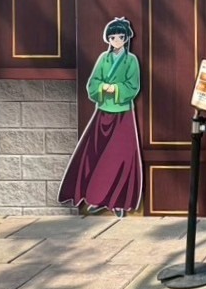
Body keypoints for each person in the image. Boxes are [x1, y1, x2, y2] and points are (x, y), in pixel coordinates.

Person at [59, 17, 144, 217]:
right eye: (113, 37)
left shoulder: (131, 60)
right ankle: (98, 199)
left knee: (120, 158)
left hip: (123, 113)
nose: (117, 40)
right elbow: (93, 83)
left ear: (126, 38)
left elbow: (133, 85)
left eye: (120, 36)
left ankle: (118, 202)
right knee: (96, 156)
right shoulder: (103, 59)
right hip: (103, 111)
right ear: (108, 39)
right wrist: (102, 88)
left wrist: (115, 88)